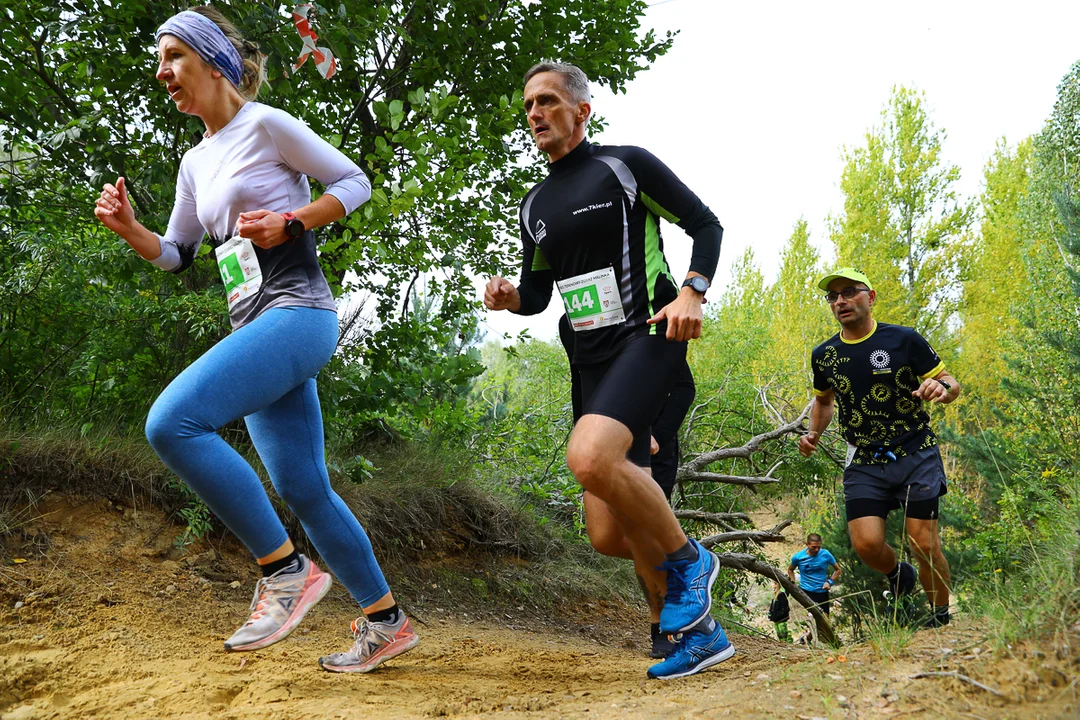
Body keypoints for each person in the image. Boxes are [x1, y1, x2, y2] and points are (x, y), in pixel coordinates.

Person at [93, 6, 417, 672]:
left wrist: (294, 222)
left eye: (174, 57)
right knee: (304, 487)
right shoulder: (194, 161)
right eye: (161, 61)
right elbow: (180, 253)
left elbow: (355, 181)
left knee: (172, 422)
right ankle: (387, 622)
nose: (163, 73)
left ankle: (284, 570)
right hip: (255, 324)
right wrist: (132, 232)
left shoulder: (265, 125)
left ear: (214, 63)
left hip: (297, 314)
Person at [484, 61, 731, 680]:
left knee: (590, 458)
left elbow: (705, 223)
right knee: (604, 530)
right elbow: (541, 294)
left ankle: (690, 560)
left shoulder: (625, 165)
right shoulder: (534, 203)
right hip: (588, 357)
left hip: (648, 334)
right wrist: (512, 297)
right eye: (528, 106)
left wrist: (693, 292)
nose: (534, 114)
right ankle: (698, 635)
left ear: (580, 111)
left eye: (546, 101)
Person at [798, 268, 959, 628]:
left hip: (915, 452)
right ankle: (898, 574)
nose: (840, 300)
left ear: (870, 297)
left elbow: (949, 382)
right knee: (867, 545)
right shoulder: (824, 355)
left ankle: (939, 618)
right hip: (864, 459)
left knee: (923, 543)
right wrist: (814, 434)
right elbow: (823, 401)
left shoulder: (903, 340)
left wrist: (942, 389)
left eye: (849, 292)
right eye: (833, 296)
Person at [559, 316, 696, 658]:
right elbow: (582, 382)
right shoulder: (571, 322)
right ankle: (684, 559)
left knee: (639, 533)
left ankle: (664, 623)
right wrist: (583, 435)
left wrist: (657, 435)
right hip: (600, 441)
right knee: (603, 537)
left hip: (649, 443)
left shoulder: (645, 314)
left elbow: (683, 386)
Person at [787, 533, 840, 615]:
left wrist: (829, 582)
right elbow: (790, 570)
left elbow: (838, 570)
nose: (816, 550)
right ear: (807, 544)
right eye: (814, 547)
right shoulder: (798, 557)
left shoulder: (825, 554)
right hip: (806, 592)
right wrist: (793, 583)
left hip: (822, 591)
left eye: (819, 547)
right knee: (810, 618)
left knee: (825, 620)